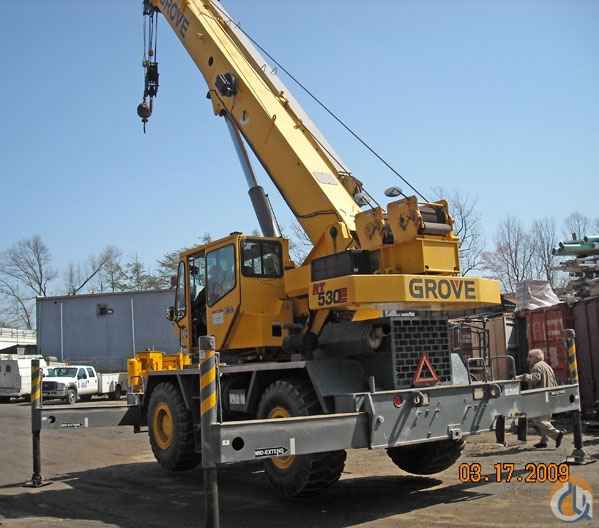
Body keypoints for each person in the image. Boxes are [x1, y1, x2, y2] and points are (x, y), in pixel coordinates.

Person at [517, 349, 564, 449]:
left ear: (536, 357)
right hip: (550, 397)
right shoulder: (547, 366)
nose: (528, 359)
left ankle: (557, 434)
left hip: (541, 398)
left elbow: (535, 379)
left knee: (537, 419)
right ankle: (544, 441)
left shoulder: (536, 366)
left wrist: (522, 377)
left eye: (530, 357)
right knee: (545, 420)